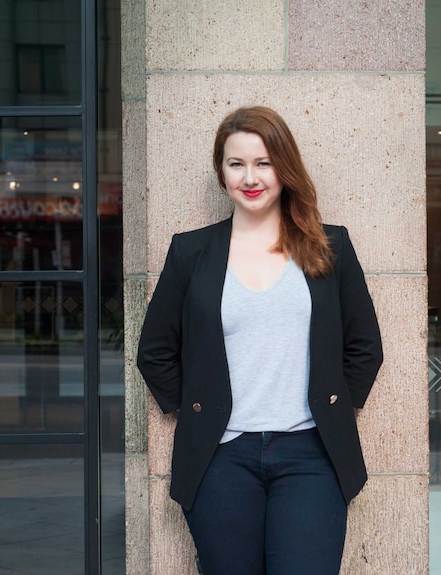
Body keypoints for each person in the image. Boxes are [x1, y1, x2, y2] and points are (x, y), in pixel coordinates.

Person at [136, 106, 384, 575]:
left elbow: (365, 345)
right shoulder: (191, 252)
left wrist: (332, 405)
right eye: (237, 164)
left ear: (284, 168)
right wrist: (195, 406)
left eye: (264, 162)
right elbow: (155, 352)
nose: (250, 177)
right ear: (221, 171)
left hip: (312, 454)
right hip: (220, 458)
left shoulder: (330, 246)